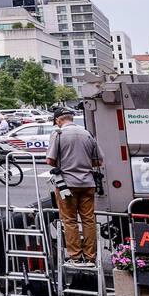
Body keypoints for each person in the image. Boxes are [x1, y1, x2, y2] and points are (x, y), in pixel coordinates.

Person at [46, 105, 103, 264]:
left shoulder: (58, 134)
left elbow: (50, 161)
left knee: (69, 220)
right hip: (88, 183)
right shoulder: (87, 134)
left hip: (67, 184)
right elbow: (98, 160)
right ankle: (91, 256)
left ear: (58, 120)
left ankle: (75, 256)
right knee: (88, 219)